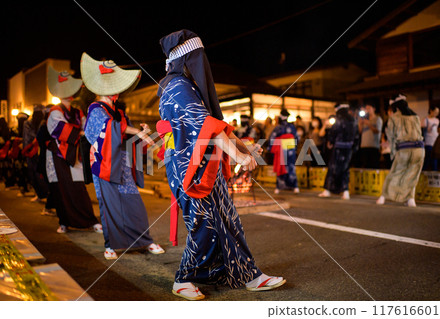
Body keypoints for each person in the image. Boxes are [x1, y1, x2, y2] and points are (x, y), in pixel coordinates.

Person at [157, 30, 285, 301]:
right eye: (197, 58)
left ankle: (247, 273)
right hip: (188, 169)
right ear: (186, 60)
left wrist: (243, 148)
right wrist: (239, 158)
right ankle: (184, 279)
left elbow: (217, 125)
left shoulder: (187, 85)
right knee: (205, 223)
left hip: (207, 164)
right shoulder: (176, 86)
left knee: (228, 219)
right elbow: (207, 127)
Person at [81, 53, 164, 260]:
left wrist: (142, 136)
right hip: (105, 165)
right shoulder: (95, 109)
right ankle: (110, 245)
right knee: (109, 205)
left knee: (133, 204)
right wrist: (135, 131)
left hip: (123, 165)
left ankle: (144, 241)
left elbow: (124, 132)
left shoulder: (117, 111)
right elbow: (102, 132)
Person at [46, 65, 102, 234]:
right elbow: (59, 129)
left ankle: (89, 220)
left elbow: (88, 127)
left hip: (74, 153)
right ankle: (63, 222)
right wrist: (82, 132)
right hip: (57, 154)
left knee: (79, 188)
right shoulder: (54, 111)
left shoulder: (78, 112)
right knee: (60, 189)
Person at [376, 94, 425, 207]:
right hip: (419, 149)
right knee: (412, 175)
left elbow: (391, 137)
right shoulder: (416, 116)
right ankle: (410, 199)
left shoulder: (394, 118)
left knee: (395, 173)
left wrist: (393, 153)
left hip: (404, 148)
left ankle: (383, 197)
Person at [318, 104, 358, 200]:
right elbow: (356, 135)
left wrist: (330, 141)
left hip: (339, 147)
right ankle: (345, 191)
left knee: (333, 168)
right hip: (348, 148)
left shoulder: (338, 119)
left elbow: (333, 131)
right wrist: (354, 146)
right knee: (345, 169)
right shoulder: (352, 120)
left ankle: (328, 190)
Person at [268, 109, 300, 194]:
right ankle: (295, 187)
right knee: (291, 167)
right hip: (291, 149)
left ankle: (279, 187)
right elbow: (297, 138)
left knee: (281, 167)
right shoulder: (292, 127)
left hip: (281, 149)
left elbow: (272, 138)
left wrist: (270, 148)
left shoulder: (278, 127)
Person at [22, 104, 49, 203]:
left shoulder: (28, 123)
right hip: (41, 150)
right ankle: (44, 193)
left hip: (32, 150)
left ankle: (40, 194)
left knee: (33, 172)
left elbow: (26, 138)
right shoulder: (43, 122)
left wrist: (26, 148)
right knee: (41, 172)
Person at [358, 101, 382, 168]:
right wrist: (360, 124)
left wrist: (368, 124)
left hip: (373, 146)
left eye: (369, 108)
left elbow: (377, 131)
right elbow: (360, 132)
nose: (367, 110)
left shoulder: (377, 119)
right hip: (364, 146)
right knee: (365, 166)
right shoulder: (364, 120)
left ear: (374, 109)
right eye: (366, 109)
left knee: (373, 166)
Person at [421, 106, 440, 171]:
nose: (436, 113)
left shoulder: (437, 120)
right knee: (428, 158)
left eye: (437, 112)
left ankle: (435, 172)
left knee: (435, 158)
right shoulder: (425, 119)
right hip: (428, 141)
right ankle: (423, 172)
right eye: (435, 112)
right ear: (431, 111)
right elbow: (423, 131)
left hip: (435, 141)